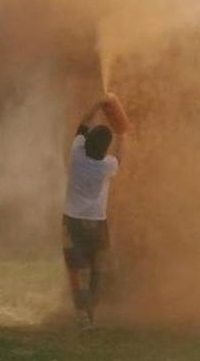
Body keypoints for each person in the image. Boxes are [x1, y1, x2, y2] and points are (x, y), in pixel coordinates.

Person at [62, 96, 124, 329]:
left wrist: (97, 104)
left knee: (77, 270)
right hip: (97, 224)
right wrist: (122, 133)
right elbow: (120, 158)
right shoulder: (106, 165)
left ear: (86, 143)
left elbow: (83, 123)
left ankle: (82, 315)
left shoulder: (77, 154)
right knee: (98, 269)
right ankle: (91, 310)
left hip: (72, 222)